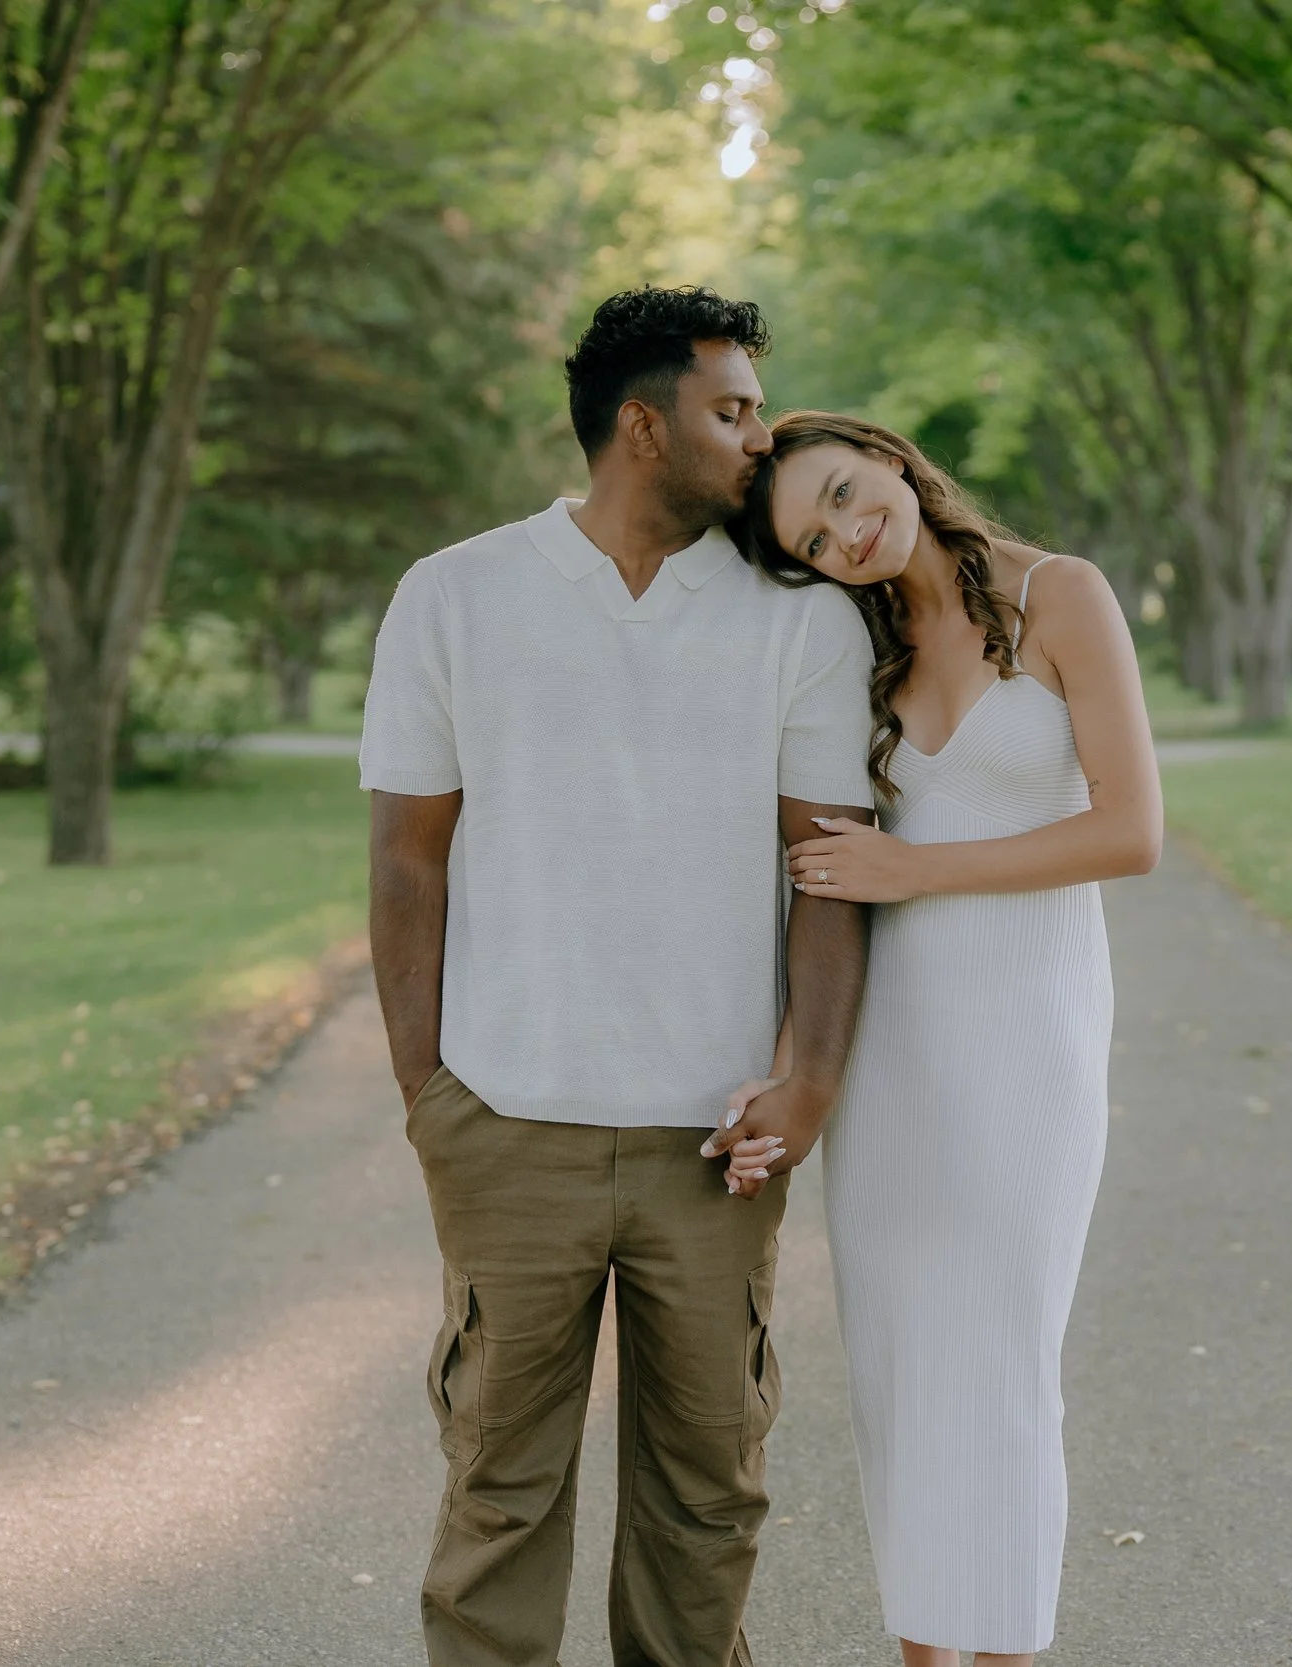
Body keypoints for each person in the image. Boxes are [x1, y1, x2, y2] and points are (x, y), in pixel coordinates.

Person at [359, 289, 877, 1667]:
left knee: (708, 1499)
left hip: (718, 1140)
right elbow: (408, 861)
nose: (762, 437)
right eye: (734, 409)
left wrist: (810, 1080)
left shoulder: (803, 622)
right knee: (498, 1491)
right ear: (644, 427)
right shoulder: (455, 594)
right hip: (506, 1123)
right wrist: (432, 1093)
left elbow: (829, 863)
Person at [720, 411, 1164, 1665]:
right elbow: (815, 868)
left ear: (896, 462)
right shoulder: (850, 648)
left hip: (1030, 1034)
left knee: (1004, 1364)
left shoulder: (1060, 597)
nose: (849, 531)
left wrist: (914, 868)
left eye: (850, 492)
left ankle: (1005, 1649)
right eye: (816, 535)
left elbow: (1130, 833)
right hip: (892, 1060)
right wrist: (791, 1057)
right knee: (904, 1375)